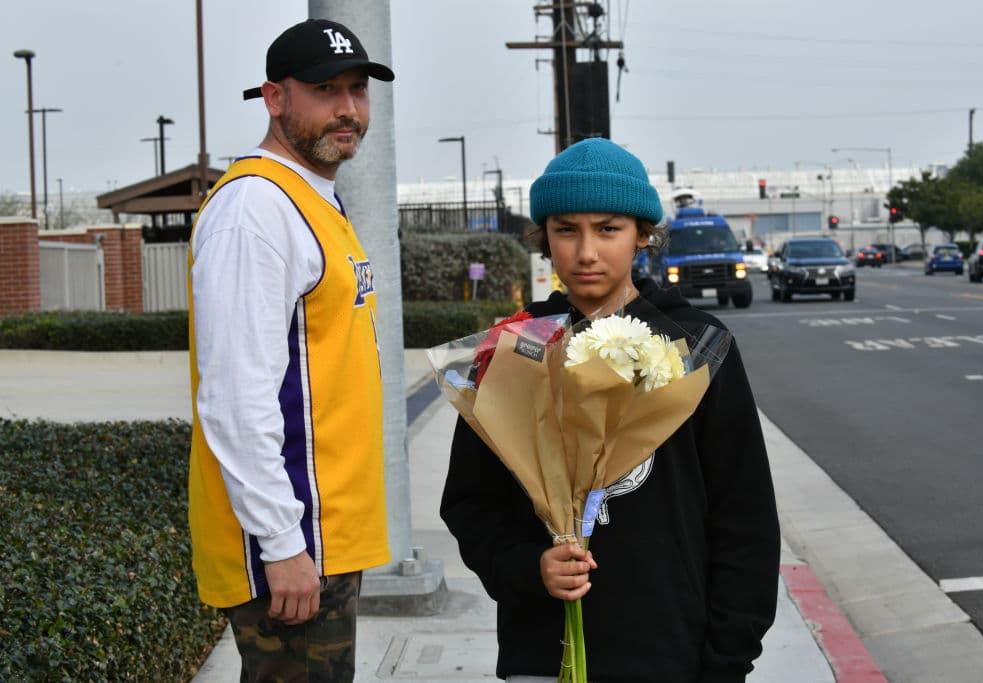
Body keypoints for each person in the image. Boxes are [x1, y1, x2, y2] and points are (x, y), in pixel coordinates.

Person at [440, 137, 780, 682]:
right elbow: (470, 503)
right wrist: (530, 569)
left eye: (608, 228)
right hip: (543, 651)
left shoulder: (694, 345)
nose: (586, 252)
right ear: (544, 238)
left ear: (643, 235)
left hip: (671, 648)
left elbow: (745, 518)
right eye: (566, 229)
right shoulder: (515, 349)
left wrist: (728, 656)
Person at [187, 18, 395, 682]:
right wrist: (281, 544)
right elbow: (235, 398)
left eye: (358, 89)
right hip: (292, 547)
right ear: (274, 98)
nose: (347, 109)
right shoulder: (255, 209)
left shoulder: (311, 199)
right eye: (325, 89)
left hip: (323, 539)